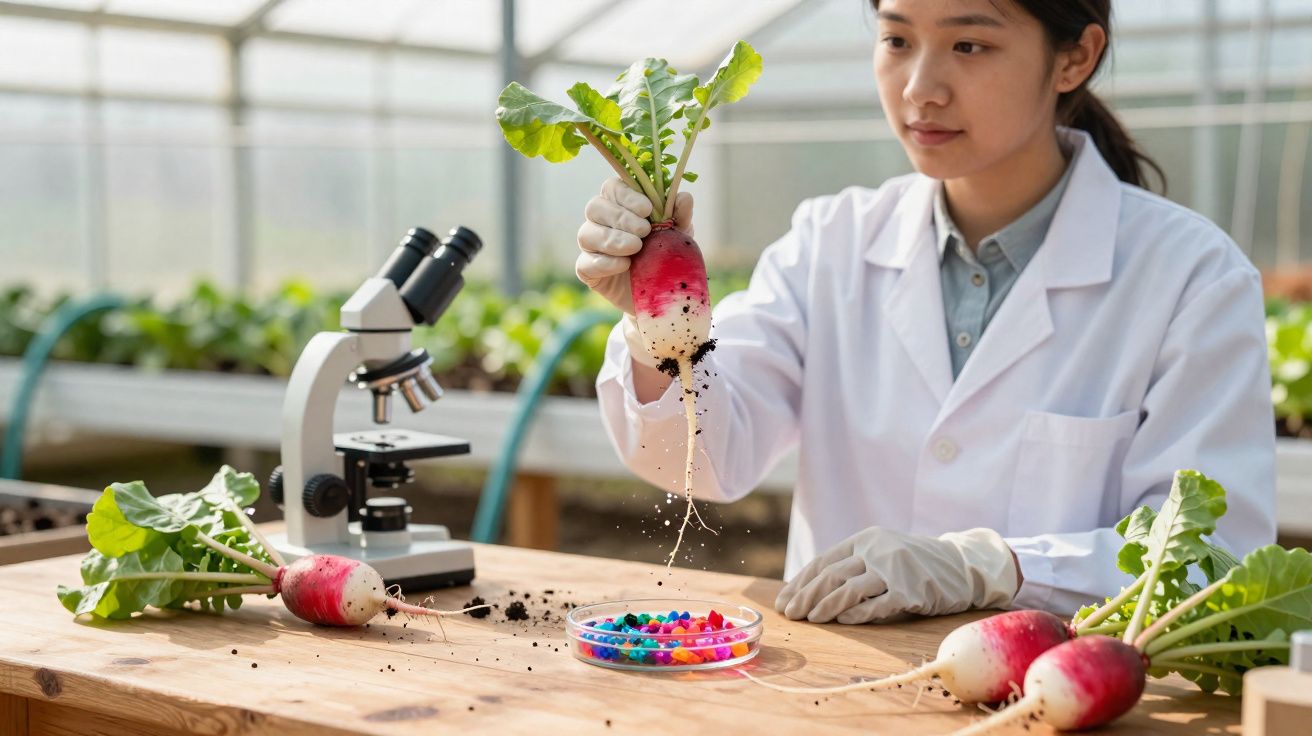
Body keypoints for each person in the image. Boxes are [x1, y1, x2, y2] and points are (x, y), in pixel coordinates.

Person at [575, 0, 1276, 623]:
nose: (920, 89)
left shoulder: (1192, 278)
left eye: (969, 45)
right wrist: (659, 324)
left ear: (1075, 57)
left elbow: (1215, 556)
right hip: (841, 695)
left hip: (1063, 702)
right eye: (897, 40)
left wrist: (996, 567)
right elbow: (703, 460)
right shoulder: (831, 244)